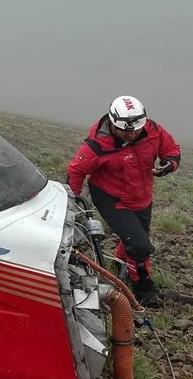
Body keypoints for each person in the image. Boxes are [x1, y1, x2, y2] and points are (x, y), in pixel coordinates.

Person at [67, 95, 180, 307]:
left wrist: (169, 164)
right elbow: (76, 171)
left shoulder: (153, 130)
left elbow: (171, 150)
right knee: (139, 246)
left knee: (132, 239)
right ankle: (143, 288)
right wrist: (70, 203)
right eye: (126, 131)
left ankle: (121, 269)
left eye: (136, 129)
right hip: (112, 199)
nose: (133, 134)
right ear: (113, 124)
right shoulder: (97, 145)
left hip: (142, 197)